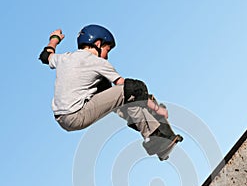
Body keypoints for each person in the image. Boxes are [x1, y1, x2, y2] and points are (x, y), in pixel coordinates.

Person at [39, 24, 182, 158]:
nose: (107, 56)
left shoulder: (64, 58)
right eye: (107, 50)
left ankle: (153, 135)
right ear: (98, 44)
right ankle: (154, 137)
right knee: (132, 90)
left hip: (62, 117)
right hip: (77, 115)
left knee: (105, 86)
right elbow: (131, 89)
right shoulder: (97, 62)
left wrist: (54, 39)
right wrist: (157, 109)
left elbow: (46, 55)